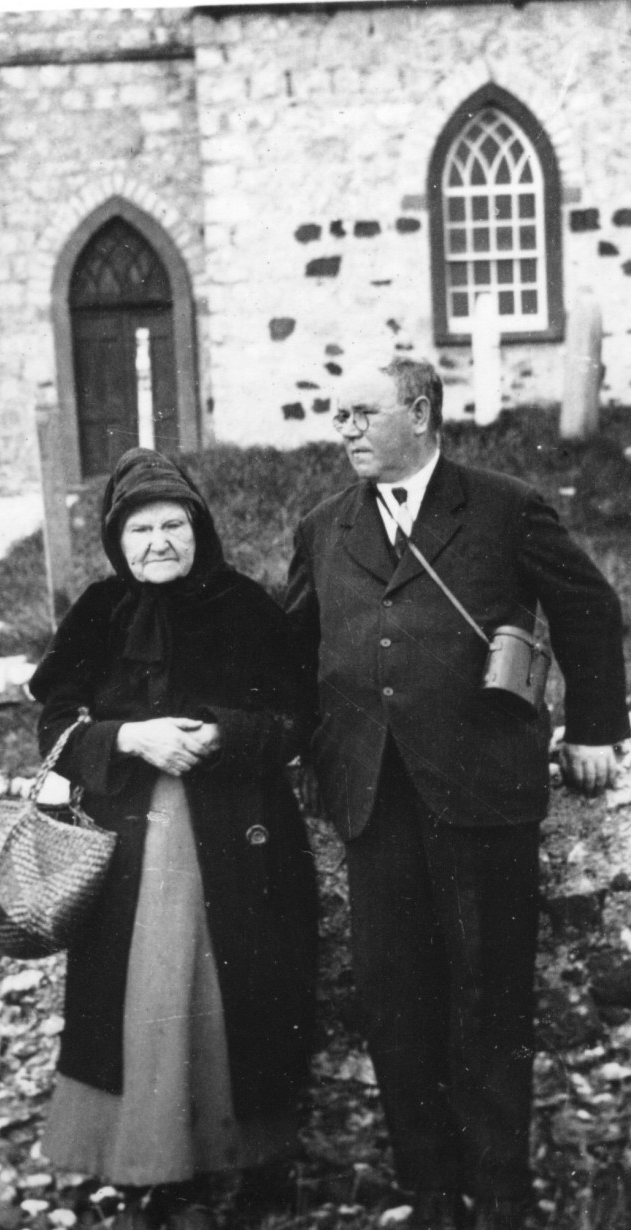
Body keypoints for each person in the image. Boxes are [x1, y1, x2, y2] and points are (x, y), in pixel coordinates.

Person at [285, 356, 629, 1230]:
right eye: (338, 415)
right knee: (394, 998)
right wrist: (301, 750)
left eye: (362, 412)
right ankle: (431, 1194)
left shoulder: (506, 506)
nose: (346, 429)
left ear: (422, 411)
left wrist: (594, 728)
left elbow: (589, 608)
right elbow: (291, 653)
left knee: (492, 994)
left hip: (483, 795)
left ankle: (503, 1195)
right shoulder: (325, 526)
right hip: (370, 799)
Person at [28, 447, 317, 1230]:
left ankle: (255, 1166)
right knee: (148, 992)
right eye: (141, 529)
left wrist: (222, 734)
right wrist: (130, 739)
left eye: (173, 525)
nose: (158, 542)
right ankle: (161, 1172)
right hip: (130, 839)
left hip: (239, 837)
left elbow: (298, 716)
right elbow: (56, 721)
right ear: (117, 543)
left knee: (244, 988)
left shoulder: (247, 606)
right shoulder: (97, 611)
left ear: (200, 531)